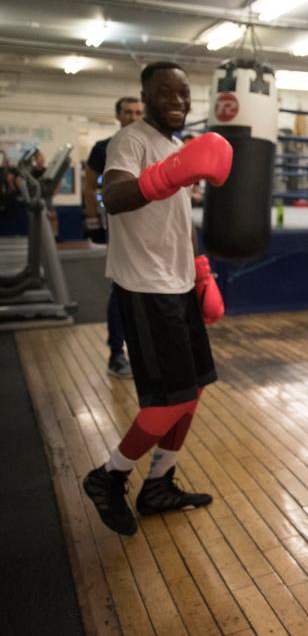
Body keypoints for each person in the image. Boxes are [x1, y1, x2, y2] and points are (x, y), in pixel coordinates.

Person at [82, 61, 231, 536]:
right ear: (145, 97)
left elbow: (179, 221)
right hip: (146, 288)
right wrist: (165, 175)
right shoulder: (132, 140)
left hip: (179, 284)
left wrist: (202, 274)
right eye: (166, 94)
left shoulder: (175, 146)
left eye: (184, 95)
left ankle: (160, 482)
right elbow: (114, 196)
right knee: (167, 401)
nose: (178, 102)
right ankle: (110, 476)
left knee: (195, 388)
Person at [84, 96, 144, 379]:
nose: (134, 117)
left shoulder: (151, 144)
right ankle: (116, 354)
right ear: (118, 116)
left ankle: (146, 352)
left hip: (149, 227)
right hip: (119, 226)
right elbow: (88, 184)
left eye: (138, 112)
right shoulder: (103, 148)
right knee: (121, 286)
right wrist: (92, 218)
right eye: (128, 112)